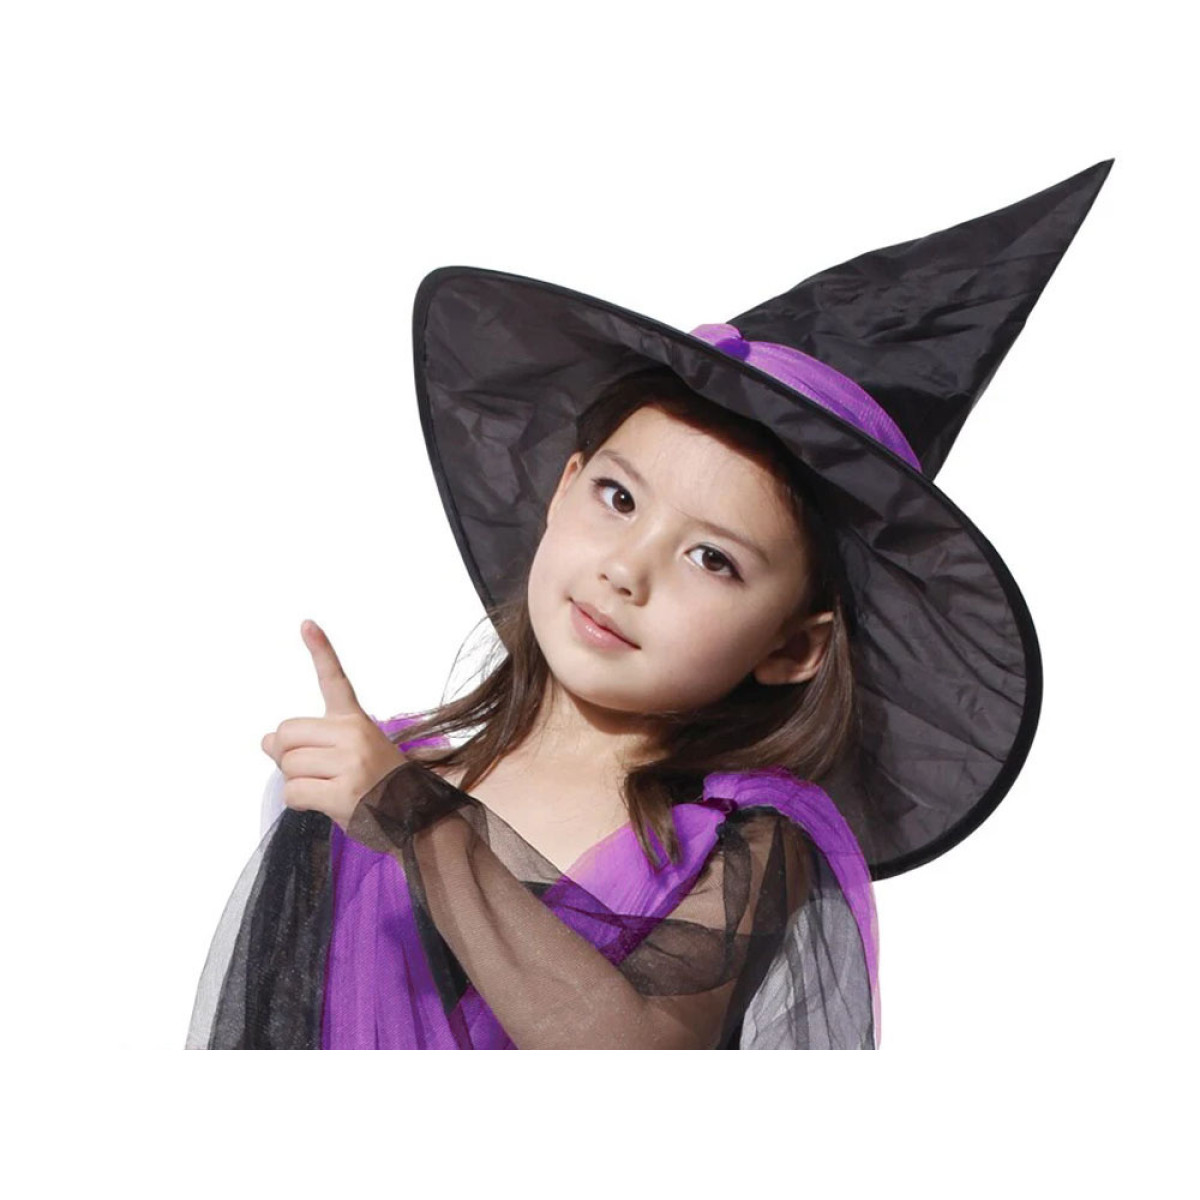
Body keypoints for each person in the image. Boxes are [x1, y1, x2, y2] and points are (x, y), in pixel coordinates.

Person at [185, 159, 1113, 1049]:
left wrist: (414, 819)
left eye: (712, 559)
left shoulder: (746, 844)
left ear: (793, 646)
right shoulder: (354, 783)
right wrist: (376, 799)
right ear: (564, 488)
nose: (628, 570)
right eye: (619, 498)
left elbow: (629, 1051)